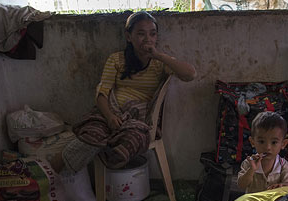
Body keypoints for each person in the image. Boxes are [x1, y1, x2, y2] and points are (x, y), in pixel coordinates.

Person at [63, 11, 196, 173]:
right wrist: (110, 117)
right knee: (90, 134)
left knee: (134, 138)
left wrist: (159, 55)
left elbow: (190, 74)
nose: (148, 39)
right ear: (128, 36)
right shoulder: (117, 59)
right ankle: (55, 175)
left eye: (152, 34)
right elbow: (102, 94)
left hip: (135, 119)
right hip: (109, 114)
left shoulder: (159, 64)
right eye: (141, 34)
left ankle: (113, 156)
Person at [236, 111, 288, 193]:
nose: (267, 147)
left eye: (274, 142)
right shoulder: (249, 163)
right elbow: (241, 185)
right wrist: (252, 170)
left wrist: (282, 186)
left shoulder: (283, 165)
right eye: (261, 142)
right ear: (252, 142)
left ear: (283, 144)